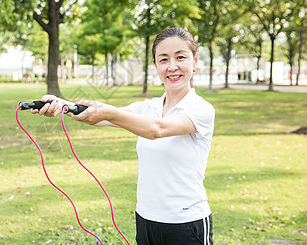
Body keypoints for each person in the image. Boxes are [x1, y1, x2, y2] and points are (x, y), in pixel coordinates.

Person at [32, 27, 215, 245]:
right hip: (146, 219)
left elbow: (157, 129)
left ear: (194, 61)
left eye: (180, 57)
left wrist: (109, 111)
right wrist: (62, 104)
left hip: (186, 224)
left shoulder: (201, 110)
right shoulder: (149, 107)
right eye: (163, 59)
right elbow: (102, 117)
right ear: (156, 66)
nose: (172, 66)